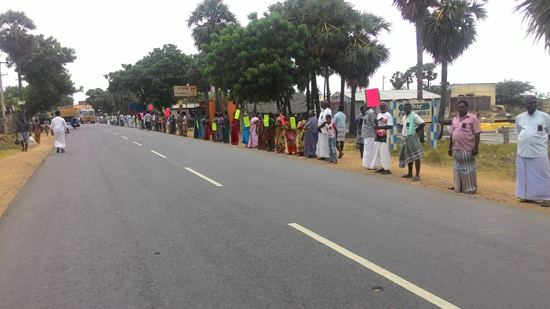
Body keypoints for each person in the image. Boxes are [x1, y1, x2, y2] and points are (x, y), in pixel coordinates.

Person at [515, 95, 550, 207]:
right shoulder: (519, 117)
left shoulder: (545, 117)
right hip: (523, 151)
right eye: (530, 103)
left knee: (543, 175)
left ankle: (547, 197)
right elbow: (519, 132)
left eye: (535, 102)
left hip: (539, 152)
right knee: (524, 175)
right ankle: (527, 196)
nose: (533, 105)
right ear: (525, 105)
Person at [448, 100, 482, 194]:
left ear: (467, 108)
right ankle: (458, 186)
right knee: (457, 169)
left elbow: (477, 133)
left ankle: (470, 188)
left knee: (468, 169)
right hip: (457, 148)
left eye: (463, 107)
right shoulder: (455, 119)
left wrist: (476, 147)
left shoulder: (473, 118)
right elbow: (451, 133)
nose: (461, 109)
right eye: (459, 107)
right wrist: (450, 147)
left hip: (467, 148)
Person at [399, 102, 426, 181]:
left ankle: (417, 175)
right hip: (405, 138)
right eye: (405, 108)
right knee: (409, 156)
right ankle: (410, 173)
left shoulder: (414, 116)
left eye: (408, 108)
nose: (406, 109)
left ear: (411, 108)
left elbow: (422, 123)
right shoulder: (404, 117)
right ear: (403, 109)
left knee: (416, 157)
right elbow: (402, 125)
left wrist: (417, 130)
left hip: (412, 138)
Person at [369, 102, 394, 174]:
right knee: (378, 151)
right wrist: (376, 122)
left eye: (383, 106)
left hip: (385, 136)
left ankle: (387, 168)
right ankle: (382, 167)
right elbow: (378, 124)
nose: (382, 107)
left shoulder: (388, 115)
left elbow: (390, 126)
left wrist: (379, 127)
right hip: (378, 135)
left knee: (384, 151)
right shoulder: (379, 115)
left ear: (386, 107)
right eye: (381, 106)